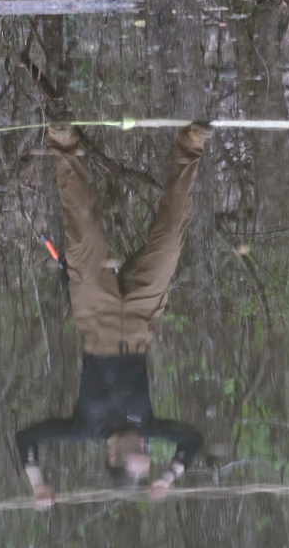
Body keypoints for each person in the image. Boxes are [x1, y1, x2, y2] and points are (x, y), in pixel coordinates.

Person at [16, 123, 211, 504]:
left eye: (135, 450)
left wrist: (37, 483)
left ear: (112, 454)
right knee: (170, 240)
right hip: (141, 318)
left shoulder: (83, 428)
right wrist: (169, 477)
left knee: (85, 235)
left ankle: (65, 144)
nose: (144, 443)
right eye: (148, 453)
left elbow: (27, 439)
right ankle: (190, 146)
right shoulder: (149, 426)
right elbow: (192, 440)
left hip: (95, 315)